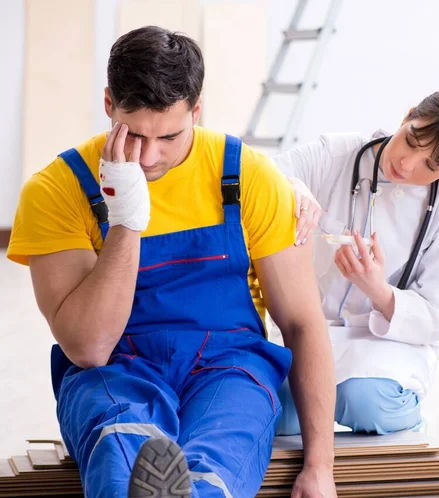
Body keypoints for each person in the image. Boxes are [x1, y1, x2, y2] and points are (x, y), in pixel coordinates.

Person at [7, 26, 337, 498]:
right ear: (108, 105)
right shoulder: (57, 190)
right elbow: (89, 348)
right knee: (120, 440)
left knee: (220, 455)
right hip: (116, 368)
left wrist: (321, 467)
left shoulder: (247, 177)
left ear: (196, 110)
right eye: (135, 134)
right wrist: (125, 218)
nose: (149, 155)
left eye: (170, 136)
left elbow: (304, 323)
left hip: (229, 367)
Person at [273, 88, 439, 436]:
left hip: (384, 346)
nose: (406, 164)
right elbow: (260, 171)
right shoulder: (337, 154)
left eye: (431, 166)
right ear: (407, 117)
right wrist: (292, 188)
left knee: (367, 402)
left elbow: (437, 316)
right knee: (271, 412)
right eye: (410, 140)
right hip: (306, 332)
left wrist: (377, 290)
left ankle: (400, 422)